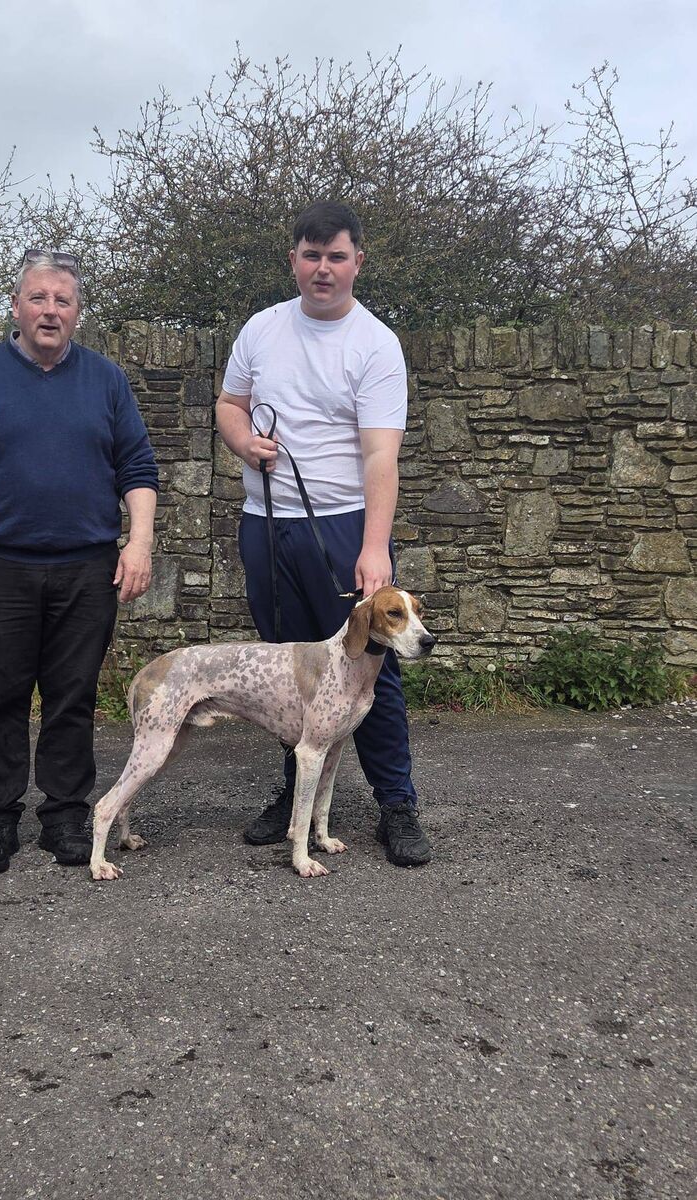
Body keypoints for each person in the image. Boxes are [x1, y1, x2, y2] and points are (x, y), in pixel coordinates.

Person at [0, 249, 158, 876]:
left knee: (73, 697)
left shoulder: (106, 380)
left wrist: (139, 542)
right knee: (0, 696)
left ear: (78, 313)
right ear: (16, 305)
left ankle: (65, 817)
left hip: (87, 568)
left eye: (63, 300)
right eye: (39, 298)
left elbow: (137, 468)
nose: (50, 310)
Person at [215, 201, 432, 867]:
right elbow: (230, 405)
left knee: (374, 671)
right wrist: (244, 443)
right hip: (268, 524)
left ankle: (397, 805)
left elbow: (379, 458)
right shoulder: (260, 329)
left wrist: (373, 547)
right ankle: (294, 795)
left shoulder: (375, 344)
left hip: (344, 530)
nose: (323, 268)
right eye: (311, 256)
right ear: (294, 261)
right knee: (290, 670)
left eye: (336, 256)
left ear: (357, 261)